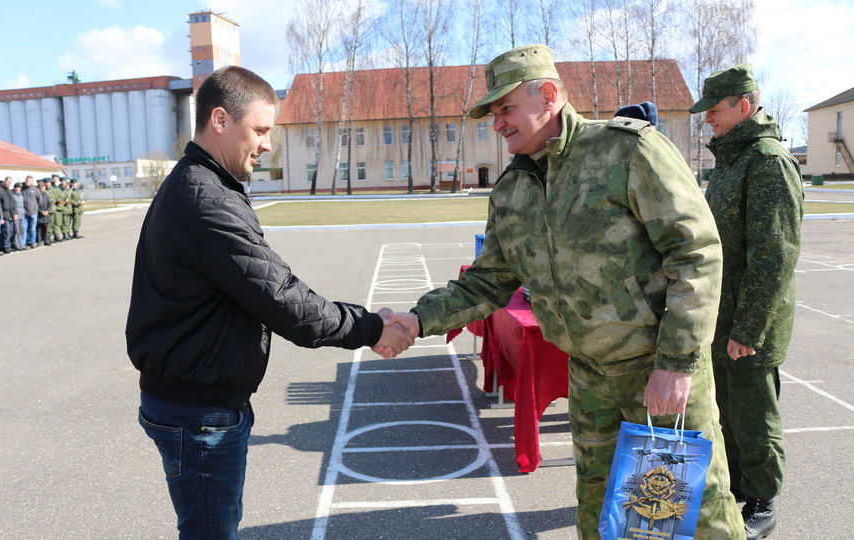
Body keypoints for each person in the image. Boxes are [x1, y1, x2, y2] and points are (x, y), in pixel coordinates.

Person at [388, 44, 745, 539]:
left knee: (692, 515)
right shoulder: (512, 191)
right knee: (602, 513)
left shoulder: (627, 151)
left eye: (506, 108)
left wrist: (676, 362)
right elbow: (489, 280)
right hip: (591, 378)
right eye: (493, 113)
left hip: (657, 373)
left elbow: (696, 252)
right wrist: (416, 319)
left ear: (549, 95)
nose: (497, 123)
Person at [125, 65, 414, 539]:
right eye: (259, 130)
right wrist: (371, 327)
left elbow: (267, 289)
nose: (266, 144)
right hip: (199, 415)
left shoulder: (203, 185)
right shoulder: (205, 198)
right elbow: (282, 300)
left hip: (196, 401)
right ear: (220, 120)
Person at [689, 64, 803, 540]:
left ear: (744, 105)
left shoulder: (767, 161)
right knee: (728, 413)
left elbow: (774, 256)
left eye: (714, 111)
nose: (707, 120)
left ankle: (762, 501)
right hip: (724, 314)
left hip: (749, 321)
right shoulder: (733, 161)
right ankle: (736, 489)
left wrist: (747, 329)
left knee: (754, 415)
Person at [0, 176, 16, 254]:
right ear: (4, 181)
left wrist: (15, 213)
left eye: (10, 183)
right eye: (8, 182)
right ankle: (5, 246)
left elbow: (13, 203)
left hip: (11, 214)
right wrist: (1, 216)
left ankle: (8, 245)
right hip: (4, 214)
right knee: (6, 231)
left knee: (10, 231)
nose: (9, 184)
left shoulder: (9, 191)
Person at [22, 175, 40, 248]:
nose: (27, 182)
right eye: (27, 180)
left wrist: (36, 209)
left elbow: (39, 200)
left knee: (32, 228)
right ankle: (23, 243)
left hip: (33, 213)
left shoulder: (35, 190)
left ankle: (32, 242)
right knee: (24, 229)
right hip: (24, 213)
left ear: (32, 181)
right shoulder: (22, 189)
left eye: (29, 180)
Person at [36, 179, 52, 246]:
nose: (43, 189)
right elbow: (35, 205)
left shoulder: (46, 195)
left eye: (44, 187)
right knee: (39, 229)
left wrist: (47, 211)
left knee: (46, 228)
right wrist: (41, 211)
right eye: (42, 187)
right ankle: (39, 240)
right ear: (39, 188)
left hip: (46, 214)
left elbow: (49, 204)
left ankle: (46, 240)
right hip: (40, 214)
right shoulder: (37, 195)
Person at [11, 182, 26, 251]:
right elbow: (12, 206)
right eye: (16, 187)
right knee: (16, 231)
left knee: (21, 230)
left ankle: (21, 244)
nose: (17, 189)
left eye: (19, 187)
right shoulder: (12, 195)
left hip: (22, 215)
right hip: (16, 215)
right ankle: (16, 244)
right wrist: (14, 214)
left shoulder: (22, 195)